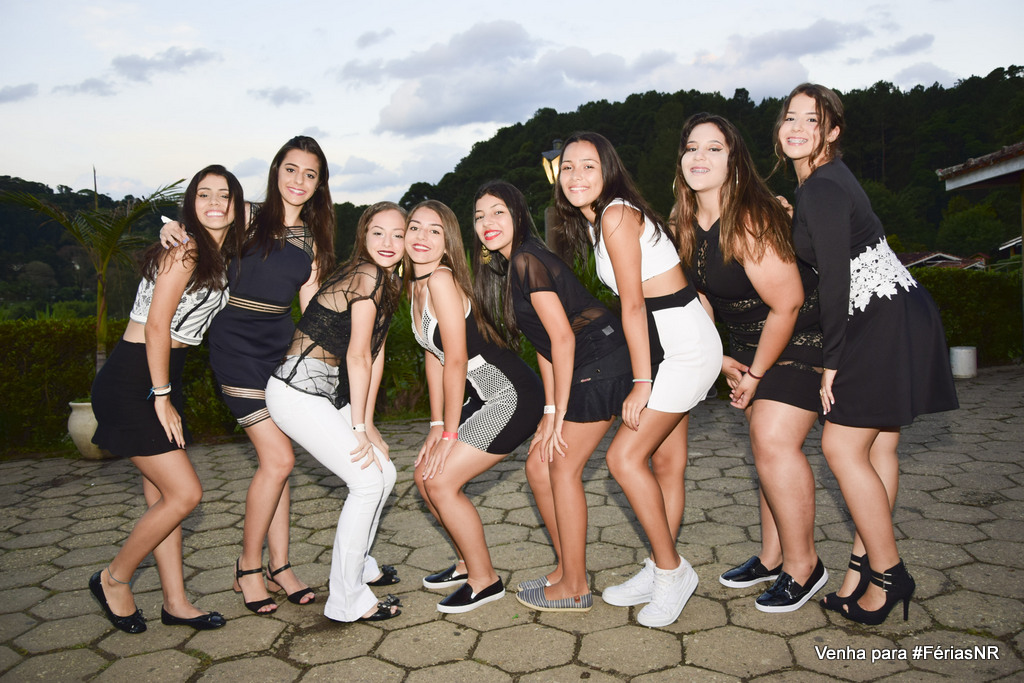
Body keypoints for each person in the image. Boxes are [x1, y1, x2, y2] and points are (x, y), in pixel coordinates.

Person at [774, 83, 958, 624]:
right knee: (878, 448)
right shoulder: (824, 182)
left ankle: (890, 574)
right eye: (790, 117)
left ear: (832, 131)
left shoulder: (822, 186)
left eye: (813, 119)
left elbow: (835, 278)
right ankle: (863, 572)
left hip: (878, 320)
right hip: (898, 309)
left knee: (841, 446)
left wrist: (831, 361)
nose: (797, 127)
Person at [161, 136, 338, 614]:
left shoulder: (315, 240)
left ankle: (280, 566)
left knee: (279, 463)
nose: (299, 180)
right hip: (234, 346)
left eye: (310, 174)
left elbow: (312, 313)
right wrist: (172, 228)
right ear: (276, 170)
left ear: (319, 184)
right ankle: (248, 567)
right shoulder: (245, 215)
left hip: (280, 351)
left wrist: (327, 373)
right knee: (279, 459)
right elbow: (198, 220)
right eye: (291, 169)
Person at [554, 133, 722, 627]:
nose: (576, 176)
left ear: (608, 169)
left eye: (588, 166)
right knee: (666, 462)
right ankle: (658, 565)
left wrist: (642, 382)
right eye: (568, 167)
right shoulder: (601, 221)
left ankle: (672, 572)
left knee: (623, 458)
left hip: (680, 349)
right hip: (672, 341)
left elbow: (632, 304)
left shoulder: (615, 214)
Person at [671, 113, 826, 612]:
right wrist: (719, 358)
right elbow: (701, 298)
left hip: (800, 336)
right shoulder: (683, 223)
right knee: (765, 448)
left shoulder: (751, 219)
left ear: (734, 162)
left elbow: (789, 303)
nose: (700, 156)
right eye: (692, 147)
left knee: (773, 440)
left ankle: (805, 566)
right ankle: (772, 556)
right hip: (746, 344)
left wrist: (756, 374)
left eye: (714, 148)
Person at [90, 165, 244, 633]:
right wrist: (161, 396)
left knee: (161, 496)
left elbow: (277, 209)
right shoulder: (187, 250)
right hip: (134, 380)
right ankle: (114, 578)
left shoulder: (213, 252)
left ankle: (175, 602)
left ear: (237, 204)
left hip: (160, 375)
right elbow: (158, 324)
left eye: (224, 195)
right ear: (191, 203)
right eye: (203, 194)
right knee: (185, 494)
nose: (214, 203)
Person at [472, 180, 633, 614]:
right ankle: (566, 569)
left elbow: (563, 338)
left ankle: (575, 587)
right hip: (582, 363)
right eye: (480, 216)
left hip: (600, 361)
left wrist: (559, 414)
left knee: (561, 466)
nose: (488, 222)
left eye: (498, 212)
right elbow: (544, 344)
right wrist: (548, 412)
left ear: (518, 215)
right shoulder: (514, 266)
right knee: (538, 466)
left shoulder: (527, 260)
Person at [265, 202, 406, 623]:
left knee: (385, 472)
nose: (388, 242)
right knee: (366, 481)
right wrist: (358, 426)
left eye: (398, 234)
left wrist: (369, 424)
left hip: (325, 393)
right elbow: (357, 356)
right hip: (296, 392)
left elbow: (375, 354)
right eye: (378, 232)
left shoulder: (389, 281)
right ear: (363, 235)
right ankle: (347, 600)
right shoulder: (367, 274)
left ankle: (360, 566)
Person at [406, 200, 544, 613]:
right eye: (415, 227)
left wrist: (450, 434)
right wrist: (436, 425)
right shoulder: (417, 284)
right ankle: (467, 563)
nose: (422, 237)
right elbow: (433, 355)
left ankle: (485, 581)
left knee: (441, 482)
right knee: (423, 476)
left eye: (434, 231)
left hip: (510, 395)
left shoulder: (441, 280)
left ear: (447, 241)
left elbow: (457, 360)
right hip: (481, 395)